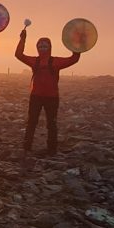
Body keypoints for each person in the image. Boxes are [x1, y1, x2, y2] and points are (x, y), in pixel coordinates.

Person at [15, 28, 80, 157]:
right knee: (34, 122)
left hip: (50, 98)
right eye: (40, 45)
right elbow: (19, 55)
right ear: (37, 47)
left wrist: (76, 44)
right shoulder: (37, 61)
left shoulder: (55, 61)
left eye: (45, 45)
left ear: (50, 47)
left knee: (50, 123)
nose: (42, 47)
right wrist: (22, 39)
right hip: (38, 96)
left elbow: (74, 58)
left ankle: (50, 149)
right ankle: (29, 147)